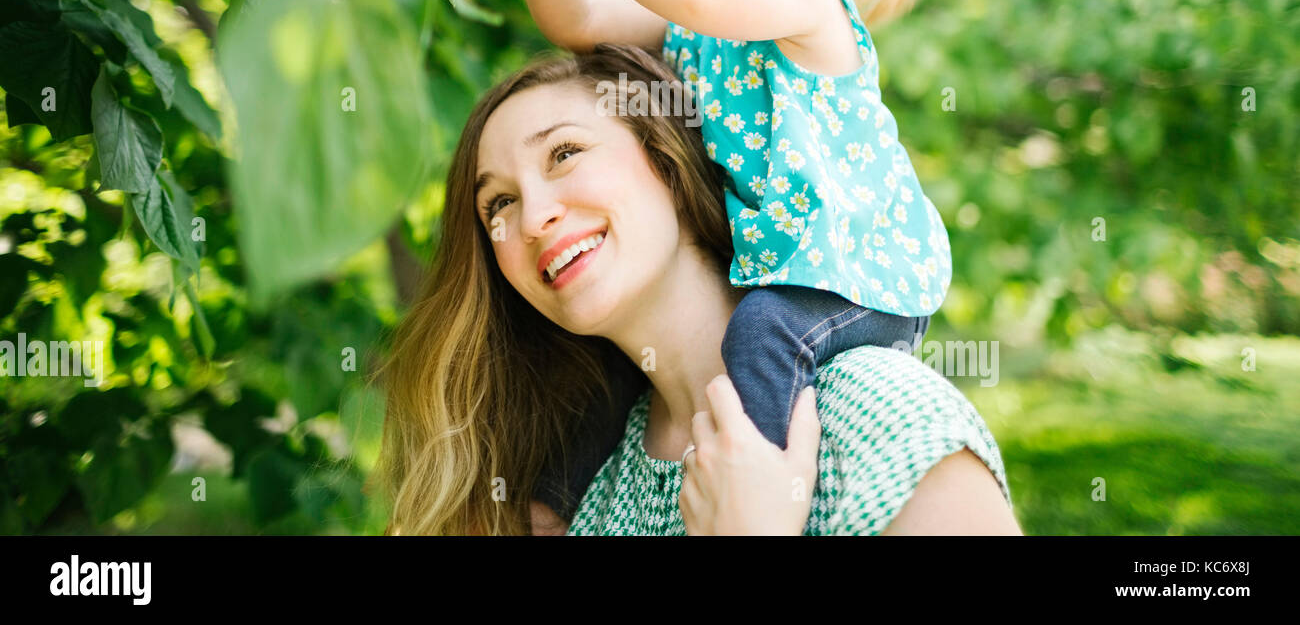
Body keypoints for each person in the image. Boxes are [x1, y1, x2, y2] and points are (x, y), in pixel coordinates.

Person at [478, 0, 952, 517]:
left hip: (856, 276)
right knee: (626, 372)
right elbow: (572, 19)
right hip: (787, 267)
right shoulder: (691, 21)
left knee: (759, 334)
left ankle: (751, 492)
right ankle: (554, 511)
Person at [374, 43, 1018, 535]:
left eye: (565, 154)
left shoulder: (879, 415)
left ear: (667, 161)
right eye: (500, 203)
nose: (534, 214)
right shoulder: (590, 493)